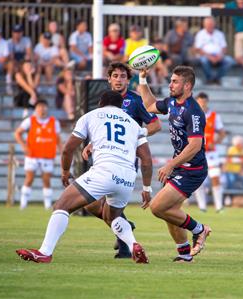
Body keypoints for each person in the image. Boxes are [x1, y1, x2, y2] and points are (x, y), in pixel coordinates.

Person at [16, 90, 151, 264]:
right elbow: (146, 160)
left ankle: (45, 252)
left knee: (62, 205)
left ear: (100, 103)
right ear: (120, 106)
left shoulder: (91, 116)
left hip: (104, 170)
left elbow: (68, 149)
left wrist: (65, 171)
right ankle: (134, 245)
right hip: (127, 177)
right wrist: (147, 188)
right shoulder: (133, 124)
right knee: (112, 217)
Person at [81, 62, 161, 259]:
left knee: (112, 206)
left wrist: (135, 138)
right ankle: (125, 226)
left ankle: (126, 247)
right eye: (115, 76)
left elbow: (156, 125)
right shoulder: (105, 101)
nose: (118, 79)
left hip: (124, 162)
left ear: (128, 79)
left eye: (122, 76)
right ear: (108, 79)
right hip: (103, 158)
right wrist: (92, 143)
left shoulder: (135, 101)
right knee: (90, 204)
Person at [140, 65, 212, 262]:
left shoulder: (194, 111)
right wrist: (143, 80)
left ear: (187, 85)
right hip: (180, 166)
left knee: (157, 207)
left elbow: (195, 145)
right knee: (170, 212)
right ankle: (185, 255)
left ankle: (200, 230)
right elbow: (150, 106)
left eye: (175, 81)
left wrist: (171, 164)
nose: (170, 84)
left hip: (193, 170)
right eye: (171, 80)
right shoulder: (172, 102)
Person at [14, 100, 62, 210]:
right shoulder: (30, 121)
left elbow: (58, 140)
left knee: (46, 180)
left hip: (47, 155)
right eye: (40, 107)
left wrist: (62, 152)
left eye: (44, 107)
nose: (42, 109)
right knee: (29, 178)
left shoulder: (54, 122)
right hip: (32, 155)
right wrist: (24, 146)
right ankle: (23, 204)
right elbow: (17, 133)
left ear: (47, 108)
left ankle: (47, 205)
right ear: (36, 109)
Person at [193, 92, 226, 213]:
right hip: (197, 152)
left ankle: (219, 206)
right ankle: (202, 206)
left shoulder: (214, 116)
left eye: (204, 102)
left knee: (215, 177)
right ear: (197, 102)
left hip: (211, 152)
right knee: (198, 179)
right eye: (200, 102)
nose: (202, 104)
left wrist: (216, 142)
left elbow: (222, 133)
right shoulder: (193, 114)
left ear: (207, 102)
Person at [194, 17, 234, 85]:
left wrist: (220, 55)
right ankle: (209, 79)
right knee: (204, 60)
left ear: (214, 24)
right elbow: (198, 49)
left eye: (211, 24)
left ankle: (217, 78)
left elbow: (224, 47)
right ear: (204, 25)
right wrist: (209, 57)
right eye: (208, 24)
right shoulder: (200, 34)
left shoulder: (219, 34)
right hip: (205, 56)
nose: (210, 25)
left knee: (229, 60)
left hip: (218, 55)